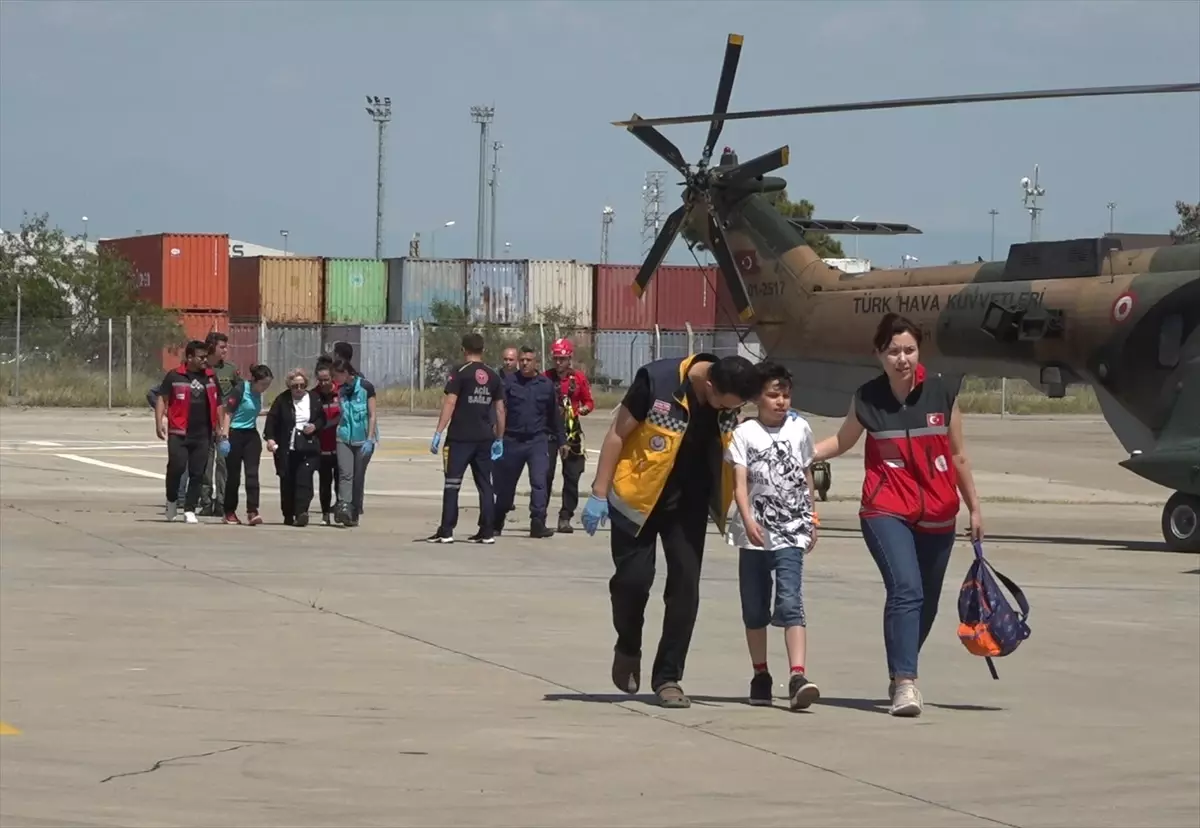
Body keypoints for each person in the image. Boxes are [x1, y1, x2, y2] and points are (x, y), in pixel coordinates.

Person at [812, 313, 984, 718]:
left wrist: (975, 506)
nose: (902, 358)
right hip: (886, 508)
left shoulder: (942, 394)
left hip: (939, 511)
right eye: (893, 351)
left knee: (925, 603)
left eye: (909, 350)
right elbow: (841, 440)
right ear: (879, 354)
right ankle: (906, 684)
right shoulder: (868, 398)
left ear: (918, 351)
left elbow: (958, 455)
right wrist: (800, 449)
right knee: (906, 588)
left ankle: (898, 671)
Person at [582, 352, 760, 708]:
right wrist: (599, 492)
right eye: (727, 404)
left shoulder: (728, 394)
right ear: (708, 385)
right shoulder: (656, 380)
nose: (730, 410)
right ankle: (628, 645)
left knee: (685, 589)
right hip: (637, 500)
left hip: (688, 506)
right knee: (632, 582)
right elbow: (618, 434)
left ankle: (668, 677)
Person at [726, 362, 821, 710]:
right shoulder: (744, 433)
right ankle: (761, 674)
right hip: (753, 533)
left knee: (790, 601)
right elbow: (739, 483)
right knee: (754, 606)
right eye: (772, 394)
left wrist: (812, 515)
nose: (780, 401)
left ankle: (798, 675)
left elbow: (807, 473)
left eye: (785, 394)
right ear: (757, 398)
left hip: (791, 530)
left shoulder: (800, 429)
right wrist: (747, 518)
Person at [426, 333, 506, 544]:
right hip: (484, 437)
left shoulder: (459, 373)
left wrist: (439, 431)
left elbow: (450, 403)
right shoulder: (493, 376)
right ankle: (487, 531)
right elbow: (500, 410)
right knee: (485, 485)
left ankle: (447, 530)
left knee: (452, 484)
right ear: (483, 350)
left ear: (464, 350)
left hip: (460, 438)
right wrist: (499, 438)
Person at [491, 346, 564, 539]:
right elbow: (498, 410)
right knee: (506, 486)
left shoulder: (545, 385)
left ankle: (538, 522)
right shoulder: (509, 382)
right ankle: (497, 520)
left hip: (537, 441)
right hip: (512, 440)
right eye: (522, 360)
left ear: (536, 363)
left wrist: (562, 441)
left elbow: (554, 416)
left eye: (528, 360)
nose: (524, 363)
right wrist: (495, 435)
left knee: (539, 482)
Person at [153, 340, 221, 524]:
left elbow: (219, 403)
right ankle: (172, 500)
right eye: (201, 357)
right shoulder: (175, 376)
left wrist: (220, 428)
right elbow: (162, 398)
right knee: (177, 466)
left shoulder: (211, 377)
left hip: (203, 433)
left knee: (198, 472)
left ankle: (190, 509)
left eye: (206, 357)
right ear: (190, 357)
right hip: (179, 431)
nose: (205, 360)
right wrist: (159, 422)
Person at [263, 367, 326, 527]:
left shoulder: (314, 398)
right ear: (289, 386)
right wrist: (270, 439)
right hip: (287, 447)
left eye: (302, 385)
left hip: (308, 447)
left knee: (304, 480)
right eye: (295, 386)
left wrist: (315, 426)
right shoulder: (282, 400)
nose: (298, 389)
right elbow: (271, 421)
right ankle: (288, 513)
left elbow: (321, 418)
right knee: (288, 481)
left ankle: (302, 512)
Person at [545, 338, 594, 533]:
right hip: (549, 431)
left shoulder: (578, 379)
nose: (558, 363)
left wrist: (583, 409)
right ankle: (539, 516)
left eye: (562, 359)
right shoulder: (545, 378)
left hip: (572, 430)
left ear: (569, 359)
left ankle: (565, 516)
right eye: (556, 358)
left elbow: (589, 401)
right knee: (544, 474)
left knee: (572, 475)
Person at [219, 364, 274, 526]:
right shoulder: (241, 389)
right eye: (263, 384)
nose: (265, 388)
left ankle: (252, 511)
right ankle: (229, 511)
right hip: (235, 434)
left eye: (268, 385)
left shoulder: (258, 394)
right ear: (254, 381)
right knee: (234, 476)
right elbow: (228, 412)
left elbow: (251, 411)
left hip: (251, 435)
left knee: (252, 474)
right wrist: (224, 436)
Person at [331, 356, 377, 527]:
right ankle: (344, 507)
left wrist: (370, 438)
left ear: (345, 373)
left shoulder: (365, 387)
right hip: (344, 437)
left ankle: (355, 510)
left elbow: (372, 415)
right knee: (345, 474)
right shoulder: (341, 390)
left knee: (358, 476)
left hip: (363, 438)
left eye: (337, 375)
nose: (335, 379)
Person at [199, 332, 240, 516]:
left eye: (226, 346)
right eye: (222, 347)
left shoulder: (230, 370)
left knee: (223, 464)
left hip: (224, 424)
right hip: (205, 424)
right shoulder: (200, 368)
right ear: (211, 348)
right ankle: (206, 501)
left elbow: (240, 392)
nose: (225, 350)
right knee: (205, 465)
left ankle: (221, 503)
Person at [313, 357, 342, 526]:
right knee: (325, 482)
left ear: (332, 378)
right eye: (320, 380)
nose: (323, 383)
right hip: (322, 446)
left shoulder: (341, 392)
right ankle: (325, 514)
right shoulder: (314, 395)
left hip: (339, 445)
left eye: (327, 380)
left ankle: (340, 510)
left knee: (340, 481)